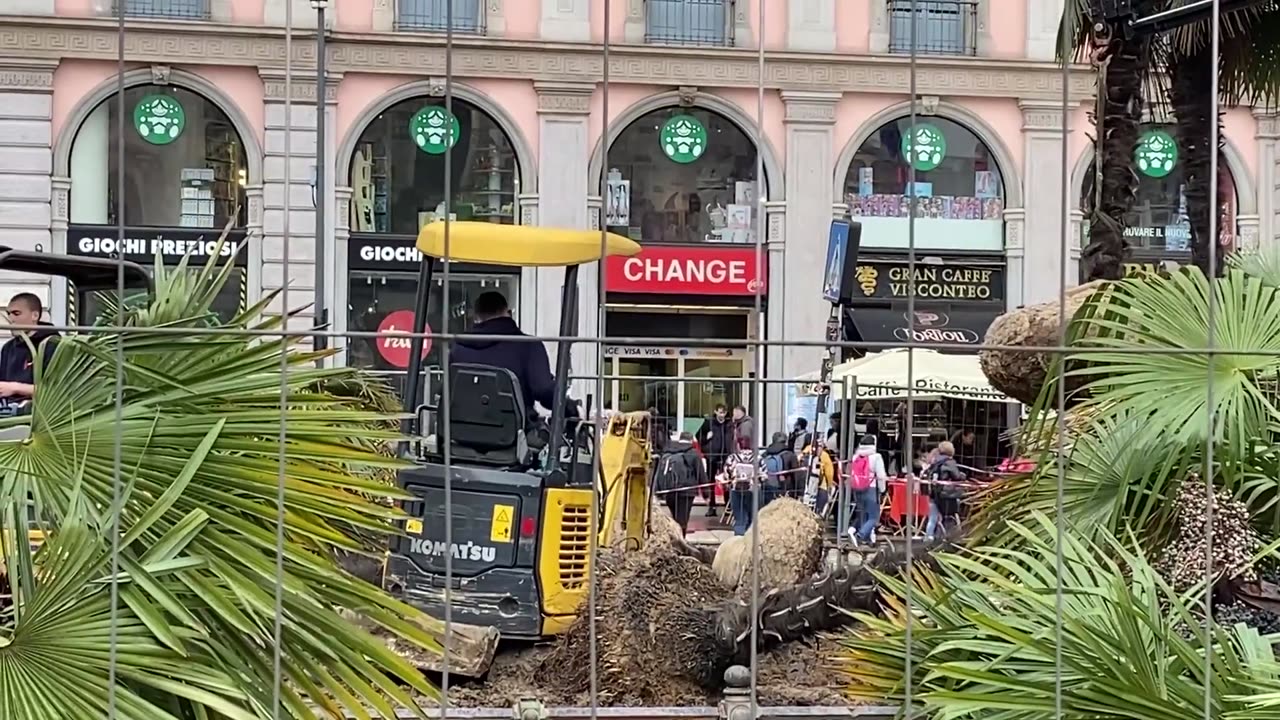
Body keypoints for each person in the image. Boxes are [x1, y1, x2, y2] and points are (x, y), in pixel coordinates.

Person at [450, 291, 556, 421]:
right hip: (512, 432)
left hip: (463, 429)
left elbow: (449, 391)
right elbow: (544, 391)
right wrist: (571, 407)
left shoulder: (458, 348)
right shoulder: (528, 346)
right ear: (509, 313)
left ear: (476, 316)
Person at [0, 293, 58, 401]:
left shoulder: (52, 345)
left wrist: (16, 388)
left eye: (16, 313)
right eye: (8, 314)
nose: (11, 319)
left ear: (35, 316)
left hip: (39, 411)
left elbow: (57, 390)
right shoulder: (8, 348)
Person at [652, 430, 705, 536]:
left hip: (669, 490)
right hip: (686, 491)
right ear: (691, 440)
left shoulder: (667, 452)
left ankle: (675, 538)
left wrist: (658, 491)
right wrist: (706, 494)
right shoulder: (693, 453)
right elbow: (700, 474)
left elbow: (659, 472)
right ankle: (681, 540)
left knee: (675, 518)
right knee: (682, 520)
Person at [847, 434, 888, 546]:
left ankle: (855, 532)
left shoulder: (856, 456)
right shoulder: (876, 457)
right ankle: (860, 535)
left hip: (857, 488)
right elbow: (880, 475)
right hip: (871, 488)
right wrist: (883, 489)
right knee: (874, 517)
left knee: (862, 514)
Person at [922, 440, 967, 540]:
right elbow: (957, 476)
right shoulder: (950, 463)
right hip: (947, 495)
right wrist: (963, 476)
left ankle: (928, 537)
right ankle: (949, 538)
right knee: (949, 517)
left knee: (933, 518)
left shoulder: (935, 461)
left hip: (934, 494)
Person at [695, 404, 734, 516]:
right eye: (720, 412)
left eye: (724, 412)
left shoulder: (729, 424)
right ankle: (712, 506)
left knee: (726, 481)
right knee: (711, 482)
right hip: (712, 456)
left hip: (725, 456)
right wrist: (706, 440)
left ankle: (728, 506)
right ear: (715, 412)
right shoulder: (709, 423)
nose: (722, 415)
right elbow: (698, 437)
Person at [722, 436, 760, 536]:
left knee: (739, 517)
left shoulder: (732, 458)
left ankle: (739, 539)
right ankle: (750, 539)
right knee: (752, 517)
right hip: (752, 491)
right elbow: (764, 476)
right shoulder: (758, 458)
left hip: (736, 490)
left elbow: (726, 475)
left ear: (738, 445)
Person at [761, 431, 800, 505]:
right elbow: (797, 475)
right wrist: (799, 492)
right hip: (786, 492)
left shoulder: (764, 455)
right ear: (785, 441)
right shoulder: (790, 455)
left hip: (767, 489)